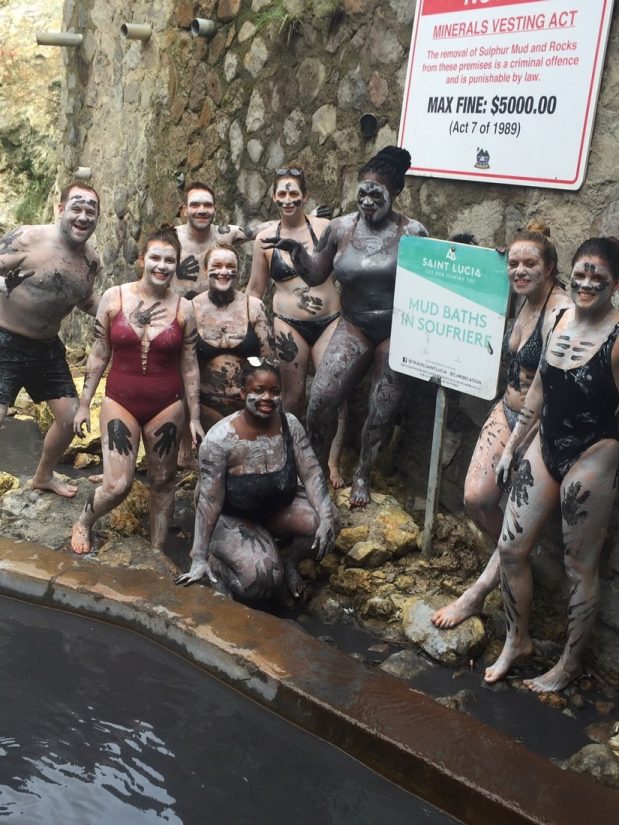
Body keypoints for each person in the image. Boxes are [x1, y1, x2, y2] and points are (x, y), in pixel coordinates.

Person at [484, 237, 619, 691]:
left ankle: (568, 664)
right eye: (580, 274)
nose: (585, 283)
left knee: (579, 565)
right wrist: (510, 447)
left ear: (614, 284)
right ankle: (516, 641)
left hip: (594, 454)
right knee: (510, 548)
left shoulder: (618, 338)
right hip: (546, 444)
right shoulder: (559, 318)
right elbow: (539, 387)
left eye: (596, 277)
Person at [263, 146, 428, 506]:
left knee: (382, 404)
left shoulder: (412, 232)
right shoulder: (340, 228)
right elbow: (317, 272)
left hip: (395, 329)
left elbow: (433, 279)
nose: (368, 200)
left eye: (377, 194)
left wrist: (463, 254)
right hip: (353, 325)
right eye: (363, 192)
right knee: (321, 397)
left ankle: (363, 473)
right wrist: (296, 253)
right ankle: (314, 471)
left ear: (395, 194)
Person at [432, 223, 572, 628]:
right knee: (476, 499)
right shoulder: (522, 297)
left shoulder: (557, 314)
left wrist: (515, 443)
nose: (520, 270)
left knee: (511, 512)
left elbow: (547, 388)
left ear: (550, 268)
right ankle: (514, 561)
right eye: (513, 263)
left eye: (531, 263)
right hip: (505, 408)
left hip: (537, 424)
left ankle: (477, 593)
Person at [70, 226, 204, 555]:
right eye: (155, 258)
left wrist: (195, 418)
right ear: (142, 259)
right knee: (117, 484)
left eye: (169, 260)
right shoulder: (114, 296)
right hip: (120, 401)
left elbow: (189, 365)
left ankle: (157, 551)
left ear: (176, 264)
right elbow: (99, 352)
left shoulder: (184, 308)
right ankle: (84, 520)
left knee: (162, 481)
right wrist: (84, 404)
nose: (161, 265)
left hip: (167, 406)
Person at [175, 360, 338, 601]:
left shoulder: (290, 424)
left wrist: (324, 518)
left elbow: (312, 473)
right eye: (259, 390)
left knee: (331, 519)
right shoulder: (220, 439)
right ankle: (216, 562)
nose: (267, 398)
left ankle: (289, 560)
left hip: (275, 509)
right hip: (232, 516)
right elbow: (209, 501)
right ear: (243, 393)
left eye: (274, 392)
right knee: (264, 581)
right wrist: (198, 557)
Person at [248, 163, 347, 486]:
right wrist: (248, 327)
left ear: (304, 196)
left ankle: (331, 461)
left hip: (329, 320)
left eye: (294, 192)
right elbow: (255, 289)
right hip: (288, 324)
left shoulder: (327, 228)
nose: (288, 198)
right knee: (292, 396)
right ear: (273, 197)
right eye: (282, 192)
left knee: (333, 392)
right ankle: (287, 454)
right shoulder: (265, 239)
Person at [0, 182, 101, 498]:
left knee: (71, 417)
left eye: (90, 210)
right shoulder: (27, 238)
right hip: (4, 341)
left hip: (46, 347)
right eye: (76, 207)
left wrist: (117, 314)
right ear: (61, 208)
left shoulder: (91, 262)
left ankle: (43, 476)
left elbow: (84, 300)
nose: (83, 216)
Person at [193, 244, 274, 432]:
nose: (224, 271)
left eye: (230, 266)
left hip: (248, 407)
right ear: (205, 270)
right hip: (205, 407)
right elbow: (184, 366)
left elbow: (269, 363)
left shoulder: (254, 308)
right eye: (217, 265)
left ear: (238, 271)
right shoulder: (192, 308)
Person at [172, 181, 273, 300]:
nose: (202, 210)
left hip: (219, 313)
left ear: (215, 209)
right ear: (184, 210)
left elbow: (258, 230)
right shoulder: (170, 239)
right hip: (179, 314)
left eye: (207, 205)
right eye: (195, 205)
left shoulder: (225, 235)